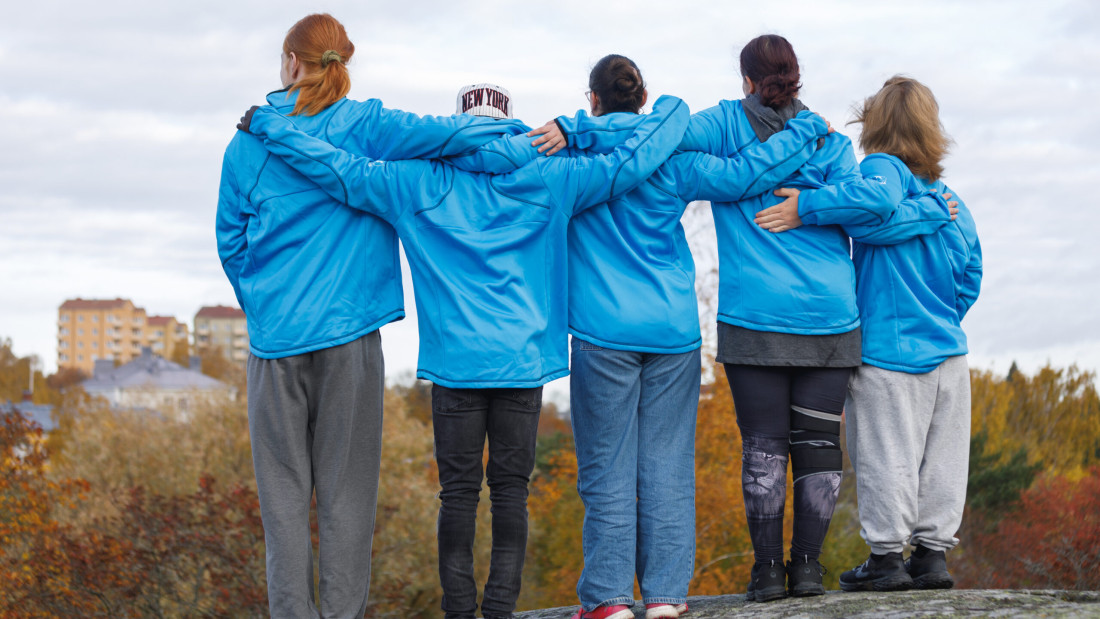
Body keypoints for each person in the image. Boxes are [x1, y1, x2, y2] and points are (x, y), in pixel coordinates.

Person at [238, 85, 691, 619]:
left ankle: (459, 611)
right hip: (521, 365)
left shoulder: (418, 181)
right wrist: (634, 116)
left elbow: (341, 170)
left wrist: (273, 129)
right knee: (510, 495)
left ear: (459, 123)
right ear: (511, 122)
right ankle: (500, 610)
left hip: (454, 366)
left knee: (457, 496)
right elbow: (627, 167)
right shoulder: (552, 175)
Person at [216, 14, 530, 619]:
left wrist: (262, 303)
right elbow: (451, 135)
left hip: (274, 342)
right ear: (342, 65)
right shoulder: (368, 126)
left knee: (281, 504)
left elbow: (231, 241)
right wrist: (528, 130)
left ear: (289, 63)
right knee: (347, 498)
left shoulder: (246, 144)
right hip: (350, 338)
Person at [527, 54, 831, 619]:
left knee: (607, 469)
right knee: (668, 467)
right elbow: (749, 173)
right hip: (672, 331)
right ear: (644, 101)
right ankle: (667, 597)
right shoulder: (671, 156)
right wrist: (807, 129)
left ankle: (610, 602)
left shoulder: (572, 153)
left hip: (603, 331)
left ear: (591, 101)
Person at [677, 35, 951, 602]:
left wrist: (747, 180)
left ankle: (768, 573)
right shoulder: (827, 140)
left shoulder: (723, 125)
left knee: (764, 446)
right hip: (830, 314)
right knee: (819, 444)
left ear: (747, 80)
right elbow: (869, 203)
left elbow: (673, 147)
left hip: (753, 313)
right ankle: (807, 571)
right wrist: (814, 195)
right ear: (796, 80)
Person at [779, 76, 981, 592]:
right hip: (948, 352)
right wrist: (940, 314)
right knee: (944, 459)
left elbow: (867, 221)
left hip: (889, 351)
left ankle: (888, 559)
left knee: (886, 455)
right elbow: (970, 274)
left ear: (875, 123)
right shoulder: (948, 197)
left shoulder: (877, 171)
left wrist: (806, 205)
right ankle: (932, 556)